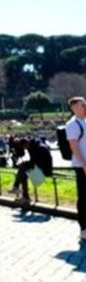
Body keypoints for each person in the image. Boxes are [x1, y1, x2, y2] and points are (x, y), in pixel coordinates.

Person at [7, 137, 53, 204]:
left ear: (26, 143)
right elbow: (34, 161)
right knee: (23, 173)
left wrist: (27, 163)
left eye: (25, 147)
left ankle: (17, 188)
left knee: (23, 167)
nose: (26, 149)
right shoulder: (32, 145)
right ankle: (25, 197)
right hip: (40, 166)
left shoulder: (38, 147)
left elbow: (37, 161)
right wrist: (27, 163)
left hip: (45, 169)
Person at [65, 96, 86, 239]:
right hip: (81, 166)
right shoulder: (72, 124)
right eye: (83, 105)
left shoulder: (84, 122)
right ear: (74, 107)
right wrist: (83, 164)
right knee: (84, 197)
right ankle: (84, 229)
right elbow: (74, 146)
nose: (85, 107)